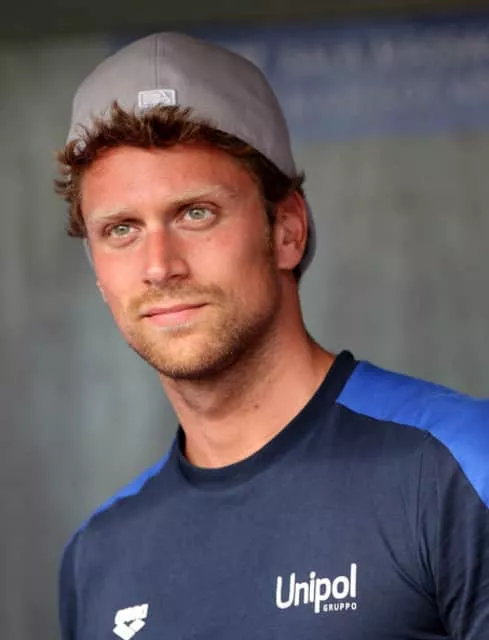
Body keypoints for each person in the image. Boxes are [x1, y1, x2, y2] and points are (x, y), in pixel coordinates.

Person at [55, 32, 489, 640]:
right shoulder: (97, 557)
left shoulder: (460, 465)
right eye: (121, 229)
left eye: (196, 213)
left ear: (287, 230)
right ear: (98, 273)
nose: (159, 266)